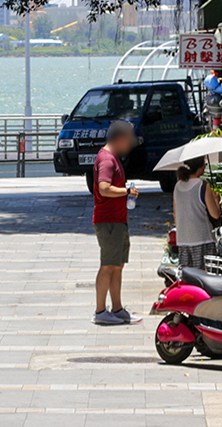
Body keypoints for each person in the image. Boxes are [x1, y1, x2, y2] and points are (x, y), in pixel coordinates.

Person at [91, 120, 142, 325]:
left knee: (117, 265)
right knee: (108, 266)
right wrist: (126, 192)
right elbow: (104, 188)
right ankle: (100, 310)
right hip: (108, 220)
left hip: (118, 219)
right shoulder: (107, 160)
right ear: (119, 138)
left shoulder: (113, 158)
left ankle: (118, 308)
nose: (131, 143)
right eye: (129, 138)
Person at [172, 158, 222, 268]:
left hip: (183, 239)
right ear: (199, 167)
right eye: (204, 164)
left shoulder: (177, 186)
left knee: (188, 278)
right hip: (202, 239)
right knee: (204, 279)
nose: (205, 166)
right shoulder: (202, 185)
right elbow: (215, 214)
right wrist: (216, 201)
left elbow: (176, 214)